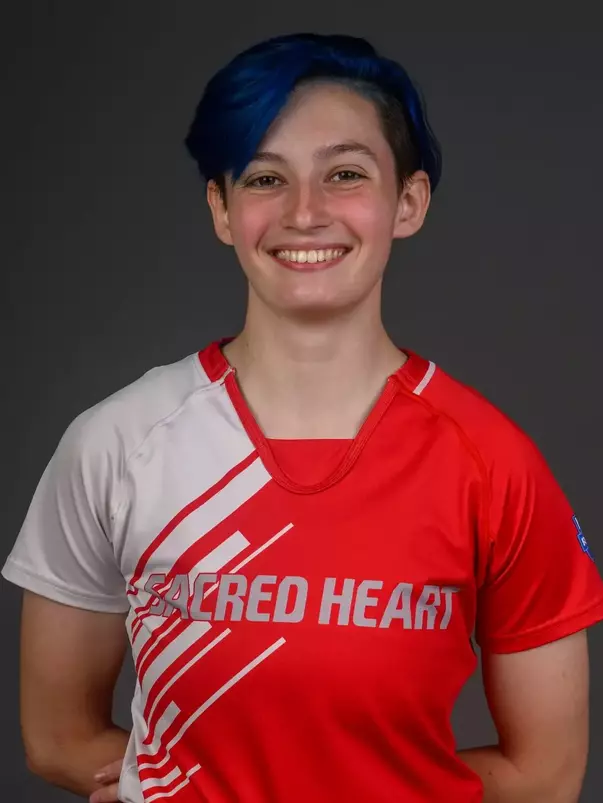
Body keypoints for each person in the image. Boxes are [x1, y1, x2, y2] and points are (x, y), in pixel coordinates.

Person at [3, 32, 603, 803]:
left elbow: (544, 774)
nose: (305, 212)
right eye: (264, 178)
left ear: (407, 202)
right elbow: (57, 737)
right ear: (222, 209)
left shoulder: (494, 464)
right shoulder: (116, 443)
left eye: (345, 174)